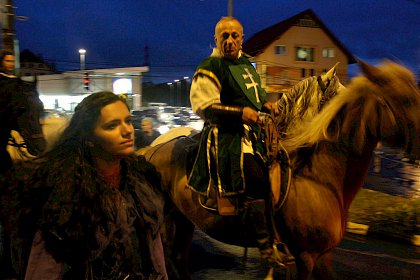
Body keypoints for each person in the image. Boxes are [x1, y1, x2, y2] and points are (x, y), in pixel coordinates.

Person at [5, 91, 168, 279]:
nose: (127, 130)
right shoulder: (64, 193)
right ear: (89, 137)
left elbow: (155, 251)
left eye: (128, 121)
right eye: (112, 125)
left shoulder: (142, 181)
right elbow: (45, 268)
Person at [187, 16, 294, 268]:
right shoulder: (209, 67)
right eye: (224, 36)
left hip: (253, 133)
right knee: (256, 179)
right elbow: (204, 106)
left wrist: (264, 105)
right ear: (216, 39)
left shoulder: (248, 65)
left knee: (282, 165)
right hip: (225, 135)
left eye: (235, 35)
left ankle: (279, 230)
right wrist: (240, 113)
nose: (230, 40)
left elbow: (252, 97)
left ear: (242, 38)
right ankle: (266, 246)